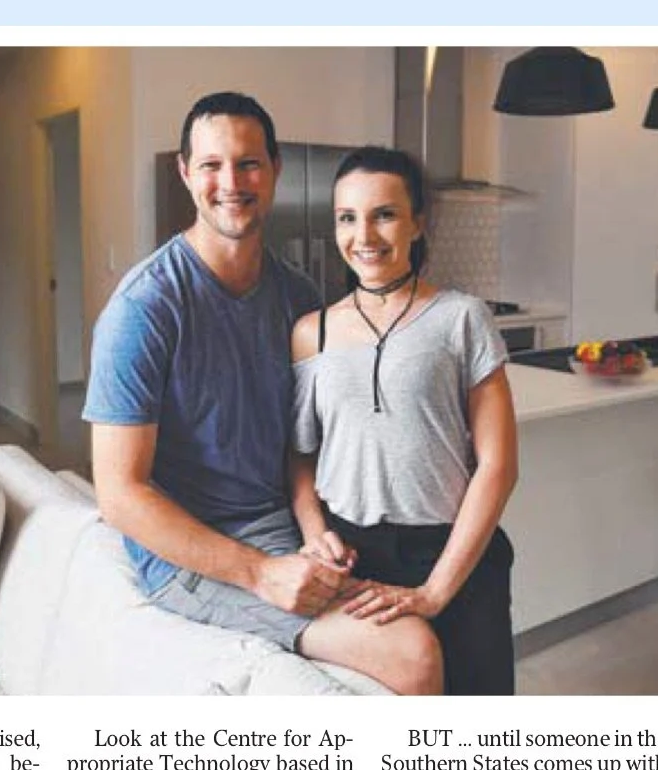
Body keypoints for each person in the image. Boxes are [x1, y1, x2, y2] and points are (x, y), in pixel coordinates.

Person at [84, 93, 444, 694]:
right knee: (414, 654)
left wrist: (312, 530)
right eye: (211, 165)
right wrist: (262, 574)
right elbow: (119, 494)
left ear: (274, 169)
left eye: (249, 163)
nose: (232, 182)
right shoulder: (144, 308)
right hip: (191, 555)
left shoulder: (297, 295)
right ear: (185, 172)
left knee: (429, 594)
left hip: (287, 523)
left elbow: (309, 438)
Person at [288, 146, 520, 695]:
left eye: (384, 214)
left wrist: (437, 590)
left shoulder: (462, 317)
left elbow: (499, 464)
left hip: (453, 554)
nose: (363, 235)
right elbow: (300, 458)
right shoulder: (310, 333)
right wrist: (316, 534)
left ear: (417, 222)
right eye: (348, 218)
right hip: (355, 561)